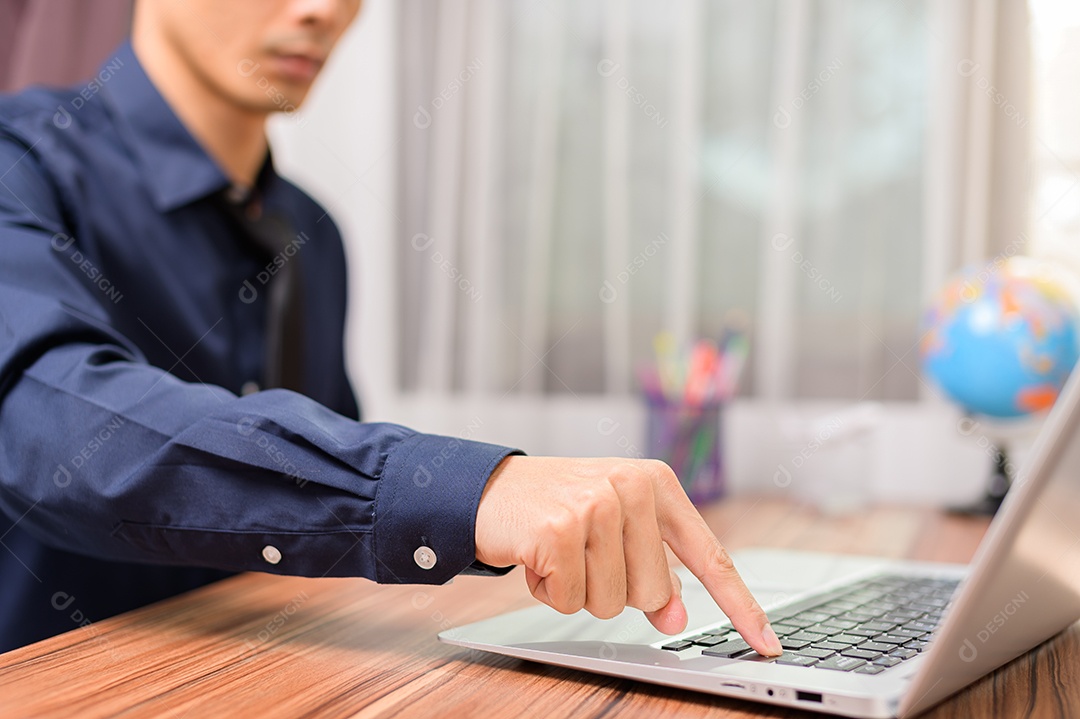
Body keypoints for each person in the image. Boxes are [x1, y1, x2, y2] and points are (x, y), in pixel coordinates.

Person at [0, 0, 782, 658]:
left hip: (269, 674)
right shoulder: (19, 167)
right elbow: (49, 423)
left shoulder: (312, 233)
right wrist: (470, 490)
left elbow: (312, 509)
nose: (325, 10)